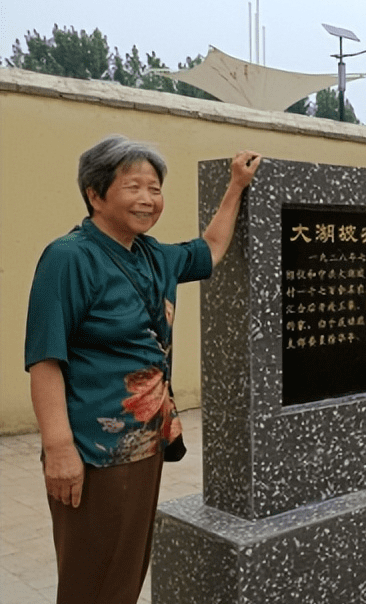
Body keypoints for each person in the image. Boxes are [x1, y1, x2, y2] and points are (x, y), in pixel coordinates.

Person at [25, 135, 262, 604]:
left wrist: (235, 187)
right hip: (93, 448)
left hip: (145, 443)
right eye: (134, 186)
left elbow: (211, 248)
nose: (148, 199)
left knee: (127, 566)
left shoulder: (152, 255)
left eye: (154, 188)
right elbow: (46, 359)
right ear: (95, 194)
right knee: (89, 573)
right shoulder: (69, 257)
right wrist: (58, 449)